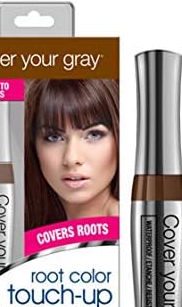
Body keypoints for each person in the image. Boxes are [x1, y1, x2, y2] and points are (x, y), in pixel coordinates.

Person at [23, 79, 119, 230]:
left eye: (94, 134)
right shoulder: (16, 230)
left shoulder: (139, 232)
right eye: (54, 137)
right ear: (33, 145)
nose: (72, 158)